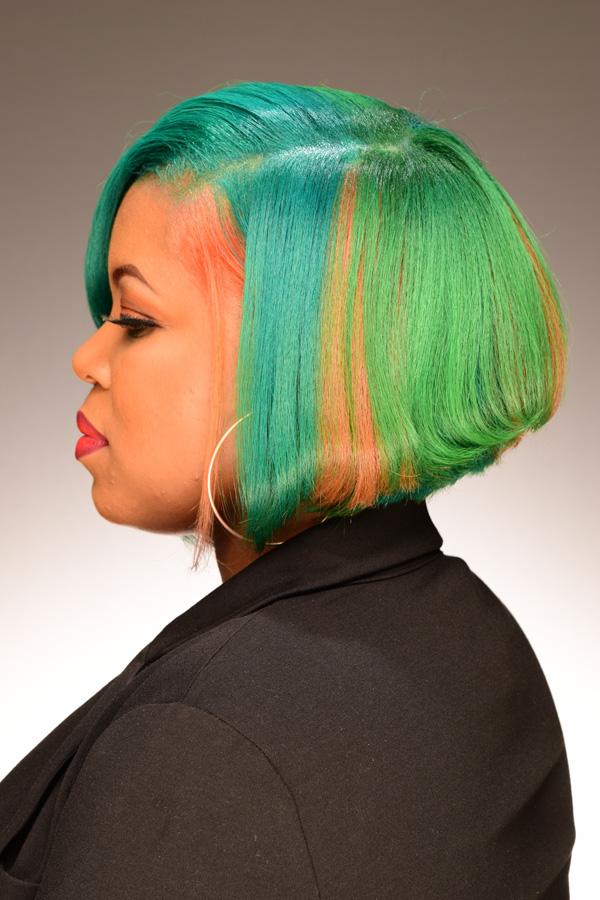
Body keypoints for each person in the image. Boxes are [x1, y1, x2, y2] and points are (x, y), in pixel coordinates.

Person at [0, 81, 575, 898]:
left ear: (301, 364)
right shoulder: (481, 645)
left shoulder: (203, 748)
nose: (87, 357)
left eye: (135, 318)